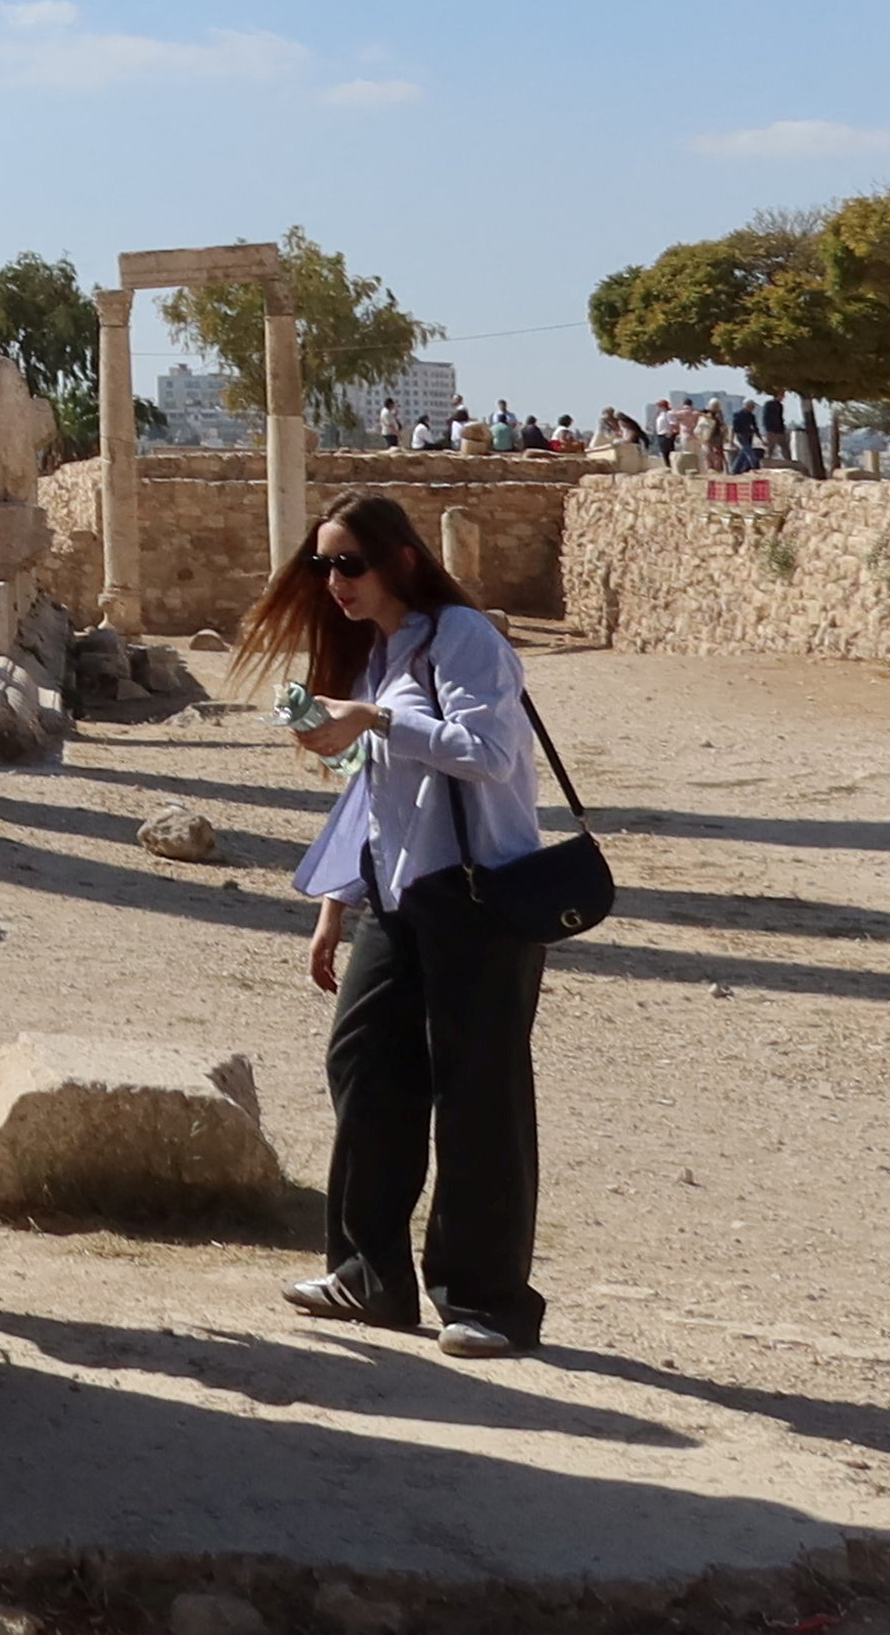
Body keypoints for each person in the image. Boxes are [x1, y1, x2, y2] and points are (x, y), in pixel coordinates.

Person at [239, 490, 554, 1360]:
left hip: (478, 898)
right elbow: (374, 792)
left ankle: (488, 1299)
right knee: (365, 1066)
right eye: (323, 565)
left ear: (401, 560)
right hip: (394, 894)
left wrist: (376, 717)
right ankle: (367, 1275)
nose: (335, 581)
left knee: (478, 1095)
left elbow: (486, 753)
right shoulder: (381, 650)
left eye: (350, 562)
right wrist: (334, 905)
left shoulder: (462, 638)